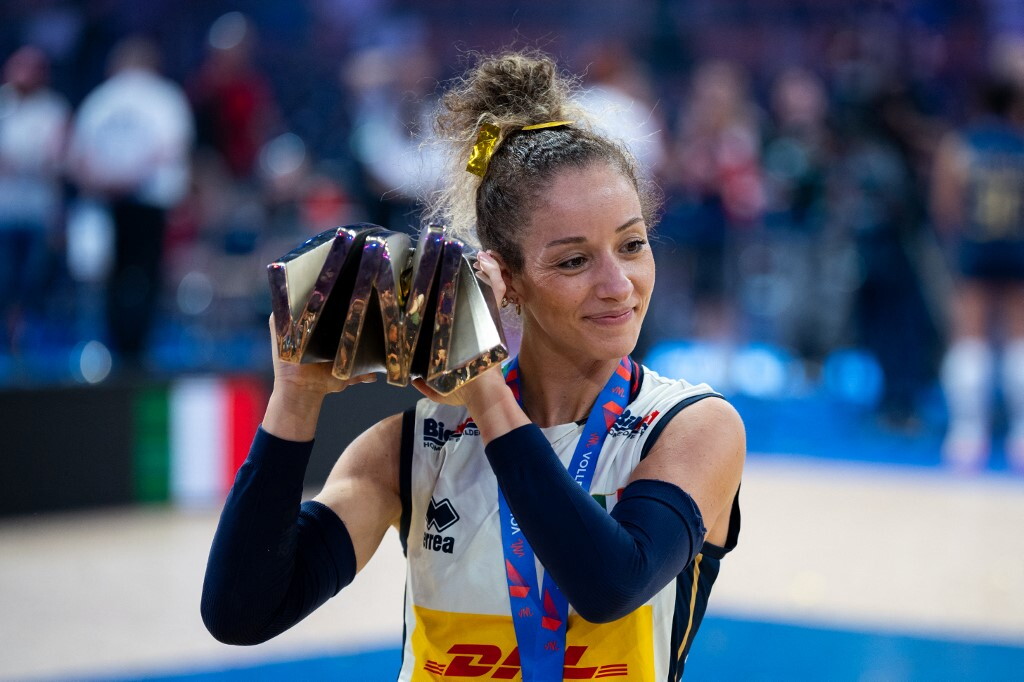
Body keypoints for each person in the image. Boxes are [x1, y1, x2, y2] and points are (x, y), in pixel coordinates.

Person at [201, 52, 745, 680]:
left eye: (632, 245)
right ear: (506, 278)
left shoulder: (691, 426)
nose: (618, 284)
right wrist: (296, 396)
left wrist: (487, 394)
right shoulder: (413, 443)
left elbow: (610, 583)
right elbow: (241, 613)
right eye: (573, 261)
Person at [66, 36, 193, 369]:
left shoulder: (99, 99)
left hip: (110, 200)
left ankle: (114, 350)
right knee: (145, 277)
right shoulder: (164, 97)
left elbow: (78, 155)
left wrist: (110, 180)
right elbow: (172, 147)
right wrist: (130, 178)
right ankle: (137, 353)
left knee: (113, 277)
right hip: (145, 203)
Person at [932, 77, 1024, 472]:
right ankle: (1020, 434)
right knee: (1019, 336)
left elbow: (945, 206)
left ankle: (967, 435)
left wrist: (959, 240)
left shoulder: (961, 146)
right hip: (1017, 248)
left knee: (969, 335)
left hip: (976, 247)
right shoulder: (1020, 145)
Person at [0, 46, 69, 351]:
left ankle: (28, 341)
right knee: (4, 279)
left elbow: (55, 158)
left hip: (39, 211)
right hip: (4, 210)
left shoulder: (53, 109)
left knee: (34, 280)